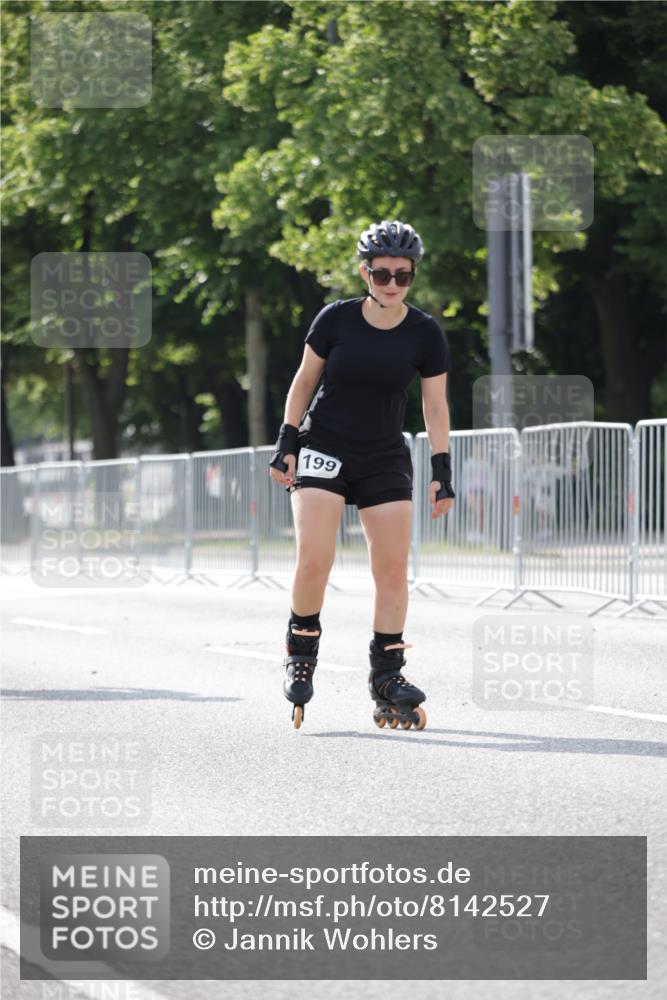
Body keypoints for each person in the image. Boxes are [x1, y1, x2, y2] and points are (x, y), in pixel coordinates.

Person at [269, 220, 455, 729]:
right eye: (381, 274)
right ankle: (301, 650)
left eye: (402, 275)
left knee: (392, 570)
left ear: (412, 275)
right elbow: (304, 380)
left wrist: (442, 469)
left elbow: (434, 406)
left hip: (383, 453)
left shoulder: (424, 333)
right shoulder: (336, 319)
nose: (391, 284)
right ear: (364, 273)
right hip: (324, 446)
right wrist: (287, 440)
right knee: (315, 559)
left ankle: (387, 676)